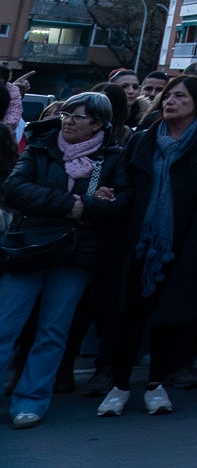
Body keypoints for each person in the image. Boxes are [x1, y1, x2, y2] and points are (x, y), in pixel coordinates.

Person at [97, 74, 197, 416]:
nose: (171, 101)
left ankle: (156, 384)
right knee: (127, 316)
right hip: (137, 245)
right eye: (169, 95)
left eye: (181, 97)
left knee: (169, 318)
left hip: (182, 247)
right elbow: (125, 185)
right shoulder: (142, 140)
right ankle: (119, 385)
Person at [0, 92, 132, 429]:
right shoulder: (42, 145)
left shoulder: (113, 157)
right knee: (5, 325)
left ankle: (31, 401)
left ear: (99, 124)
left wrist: (88, 206)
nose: (68, 121)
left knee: (53, 330)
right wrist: (74, 204)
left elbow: (120, 205)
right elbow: (14, 189)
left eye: (78, 116)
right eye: (66, 114)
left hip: (76, 254)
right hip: (29, 247)